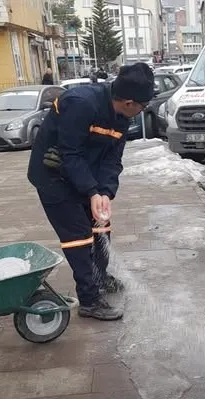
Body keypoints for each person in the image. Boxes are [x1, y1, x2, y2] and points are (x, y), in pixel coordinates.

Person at [28, 63, 155, 320]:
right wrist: (91, 191)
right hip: (53, 175)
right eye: (142, 106)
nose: (142, 111)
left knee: (101, 225)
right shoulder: (81, 103)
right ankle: (89, 299)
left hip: (86, 174)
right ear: (130, 102)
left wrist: (105, 193)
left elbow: (112, 160)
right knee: (78, 235)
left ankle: (100, 277)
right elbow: (70, 153)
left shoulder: (121, 118)